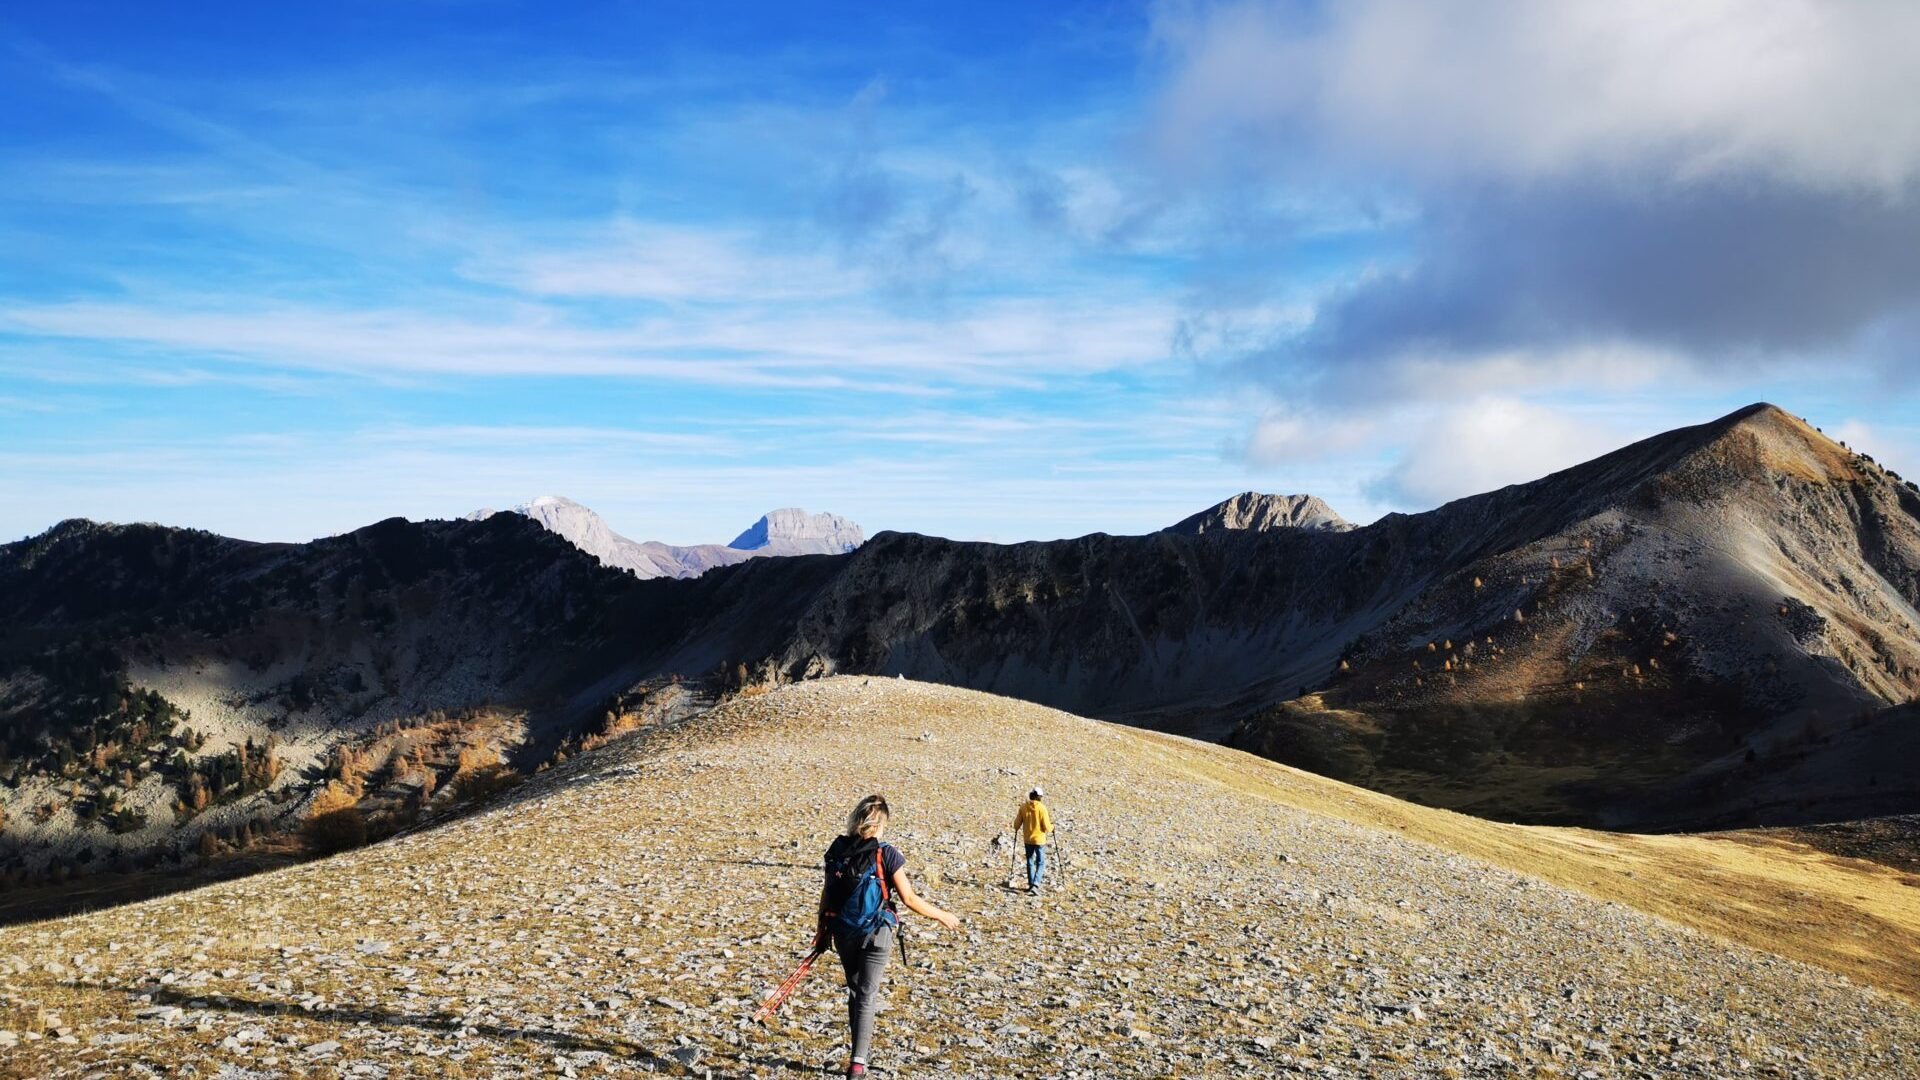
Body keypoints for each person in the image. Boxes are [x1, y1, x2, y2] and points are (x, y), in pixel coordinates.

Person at [819, 794, 961, 1080]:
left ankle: (857, 1055)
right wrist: (943, 915)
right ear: (881, 823)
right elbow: (909, 898)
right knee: (868, 993)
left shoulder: (837, 850)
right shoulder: (886, 853)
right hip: (877, 933)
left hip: (843, 932)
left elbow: (827, 894)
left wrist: (820, 932)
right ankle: (858, 1063)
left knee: (856, 991)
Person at [1013, 787, 1053, 893]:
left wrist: (1017, 827)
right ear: (1039, 797)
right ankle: (1036, 884)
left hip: (1028, 839)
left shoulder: (1023, 807)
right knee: (1040, 862)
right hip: (1039, 840)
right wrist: (1052, 828)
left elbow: (1016, 824)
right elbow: (1047, 827)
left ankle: (1031, 884)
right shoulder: (1042, 808)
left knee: (1030, 861)